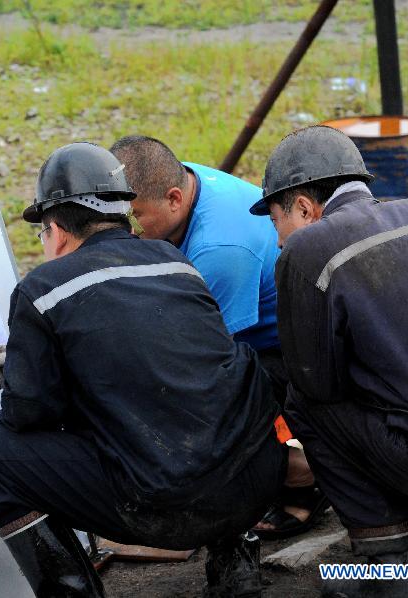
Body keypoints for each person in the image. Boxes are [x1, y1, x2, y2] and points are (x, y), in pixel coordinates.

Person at [0, 142, 286, 597]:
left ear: (54, 230)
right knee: (206, 396)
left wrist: (27, 368)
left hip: (167, 509)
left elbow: (29, 415)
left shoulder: (42, 290)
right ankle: (236, 568)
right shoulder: (177, 262)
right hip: (254, 488)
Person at [249, 125, 408, 597]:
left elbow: (317, 383)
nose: (277, 241)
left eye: (276, 223)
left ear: (305, 207)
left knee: (307, 404)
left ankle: (392, 569)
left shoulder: (308, 251)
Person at [109, 136, 324, 539]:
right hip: (245, 326)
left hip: (288, 347)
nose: (127, 230)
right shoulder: (177, 178)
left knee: (190, 397)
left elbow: (205, 361)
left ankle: (302, 472)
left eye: (135, 217)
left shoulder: (219, 250)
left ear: (174, 198)